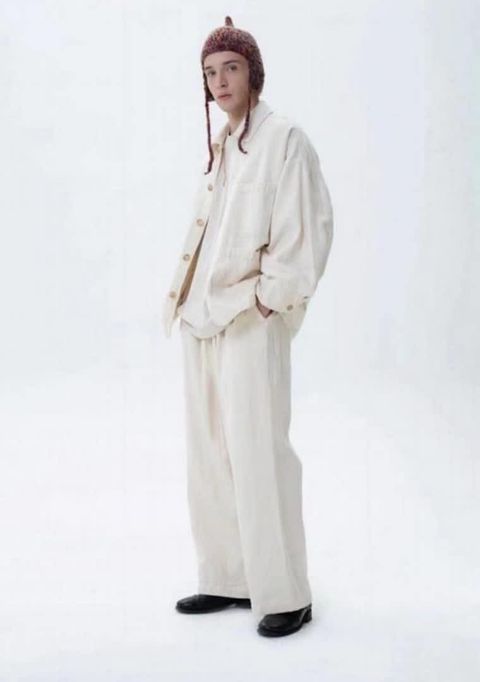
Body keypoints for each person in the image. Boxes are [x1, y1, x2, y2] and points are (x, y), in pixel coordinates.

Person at [163, 15, 334, 637]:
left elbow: (308, 228)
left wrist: (268, 302)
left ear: (253, 73)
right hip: (201, 320)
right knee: (210, 457)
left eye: (230, 68)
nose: (219, 81)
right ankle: (229, 578)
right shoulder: (220, 147)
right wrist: (187, 305)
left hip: (249, 318)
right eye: (210, 73)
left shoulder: (285, 139)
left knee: (261, 452)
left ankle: (286, 592)